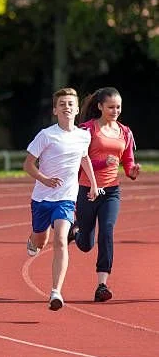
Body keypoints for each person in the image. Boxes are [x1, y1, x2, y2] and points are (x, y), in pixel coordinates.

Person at [23, 87, 99, 311]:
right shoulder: (46, 135)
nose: (67, 107)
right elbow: (28, 164)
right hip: (41, 198)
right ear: (55, 110)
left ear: (77, 109)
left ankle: (56, 292)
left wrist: (94, 184)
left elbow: (84, 159)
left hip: (66, 198)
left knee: (60, 239)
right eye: (62, 104)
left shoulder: (83, 135)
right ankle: (33, 239)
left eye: (70, 103)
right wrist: (44, 179)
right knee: (41, 240)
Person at [68, 87, 140, 302]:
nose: (115, 110)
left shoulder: (125, 132)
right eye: (111, 107)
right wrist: (101, 162)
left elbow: (127, 161)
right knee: (86, 245)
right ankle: (77, 232)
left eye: (118, 107)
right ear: (100, 106)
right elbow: (78, 160)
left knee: (107, 231)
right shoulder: (86, 130)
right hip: (87, 190)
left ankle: (102, 285)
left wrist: (132, 171)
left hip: (111, 192)